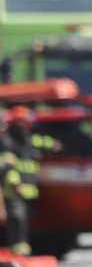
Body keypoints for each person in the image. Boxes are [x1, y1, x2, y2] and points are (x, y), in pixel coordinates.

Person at [0, 107, 44, 255]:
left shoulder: (29, 141)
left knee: (24, 221)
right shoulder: (8, 142)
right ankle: (17, 249)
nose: (25, 127)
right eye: (22, 124)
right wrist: (15, 183)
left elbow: (43, 144)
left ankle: (21, 249)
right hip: (14, 190)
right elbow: (8, 165)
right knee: (17, 219)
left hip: (28, 190)